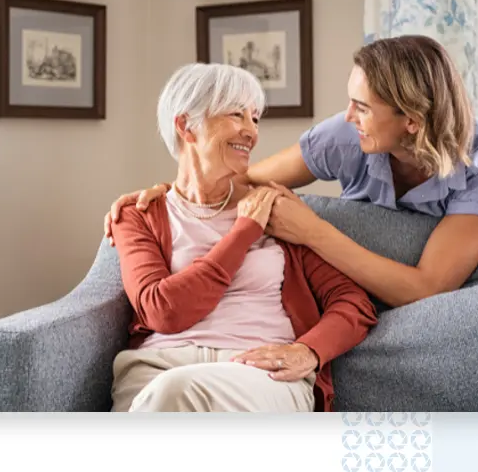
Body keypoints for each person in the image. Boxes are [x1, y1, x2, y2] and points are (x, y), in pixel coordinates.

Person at [105, 35, 478, 309]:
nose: (347, 115)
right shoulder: (344, 136)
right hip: (344, 297)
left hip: (420, 310)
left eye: (362, 107)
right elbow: (242, 183)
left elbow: (428, 289)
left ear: (411, 120)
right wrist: (171, 192)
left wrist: (311, 230)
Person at [108, 62, 377, 413]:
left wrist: (308, 351)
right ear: (185, 126)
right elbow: (163, 312)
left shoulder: (276, 209)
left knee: (171, 398)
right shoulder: (138, 214)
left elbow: (353, 303)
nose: (251, 131)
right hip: (157, 369)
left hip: (257, 372)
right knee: (165, 397)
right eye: (237, 115)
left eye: (255, 118)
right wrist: (244, 231)